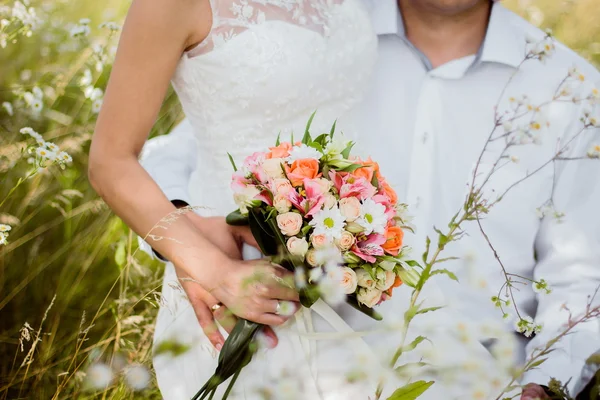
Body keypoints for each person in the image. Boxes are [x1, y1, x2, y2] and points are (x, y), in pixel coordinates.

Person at [137, 0, 600, 399]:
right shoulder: (329, 37)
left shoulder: (570, 92)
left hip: (477, 376)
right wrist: (189, 242)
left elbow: (582, 282)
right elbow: (191, 149)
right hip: (310, 355)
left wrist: (543, 385)